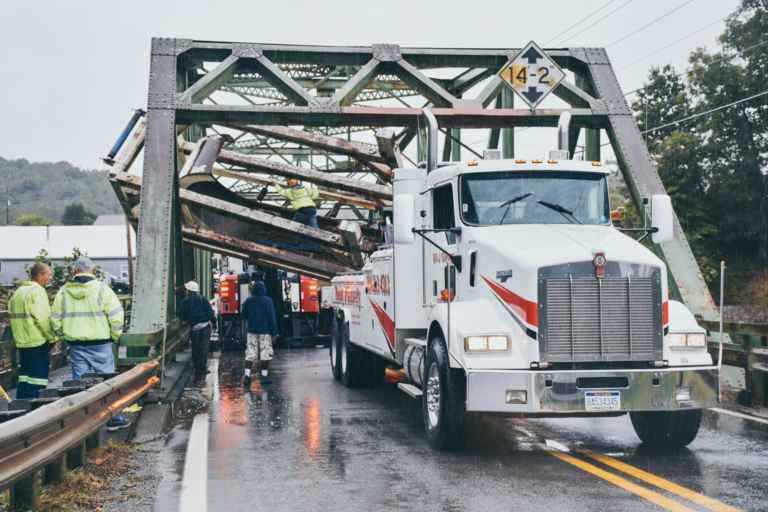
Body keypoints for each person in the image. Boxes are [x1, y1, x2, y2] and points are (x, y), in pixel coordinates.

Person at [51, 257, 129, 431]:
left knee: (79, 383)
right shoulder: (103, 290)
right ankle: (114, 418)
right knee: (107, 381)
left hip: (76, 343)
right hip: (101, 343)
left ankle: (83, 422)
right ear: (92, 270)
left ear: (75, 271)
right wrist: (115, 335)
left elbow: (55, 319)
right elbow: (116, 315)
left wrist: (63, 334)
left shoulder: (63, 292)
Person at [8, 262, 55, 399]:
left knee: (25, 377)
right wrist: (52, 338)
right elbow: (43, 319)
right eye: (48, 274)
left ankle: (21, 406)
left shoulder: (18, 292)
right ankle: (36, 408)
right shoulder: (37, 292)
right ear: (40, 275)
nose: (50, 278)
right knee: (38, 378)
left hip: (22, 342)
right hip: (37, 341)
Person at [241, 281, 278, 386]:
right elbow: (272, 318)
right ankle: (264, 376)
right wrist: (274, 333)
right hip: (265, 332)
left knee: (250, 354)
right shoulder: (268, 301)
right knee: (265, 355)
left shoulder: (248, 301)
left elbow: (243, 316)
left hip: (251, 331)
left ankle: (247, 376)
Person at [180, 280, 215, 380]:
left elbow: (183, 317)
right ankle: (202, 369)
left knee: (196, 349)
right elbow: (210, 312)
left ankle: (197, 369)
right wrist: (214, 322)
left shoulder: (184, 302)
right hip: (205, 327)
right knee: (204, 348)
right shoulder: (203, 299)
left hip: (194, 328)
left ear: (189, 291)